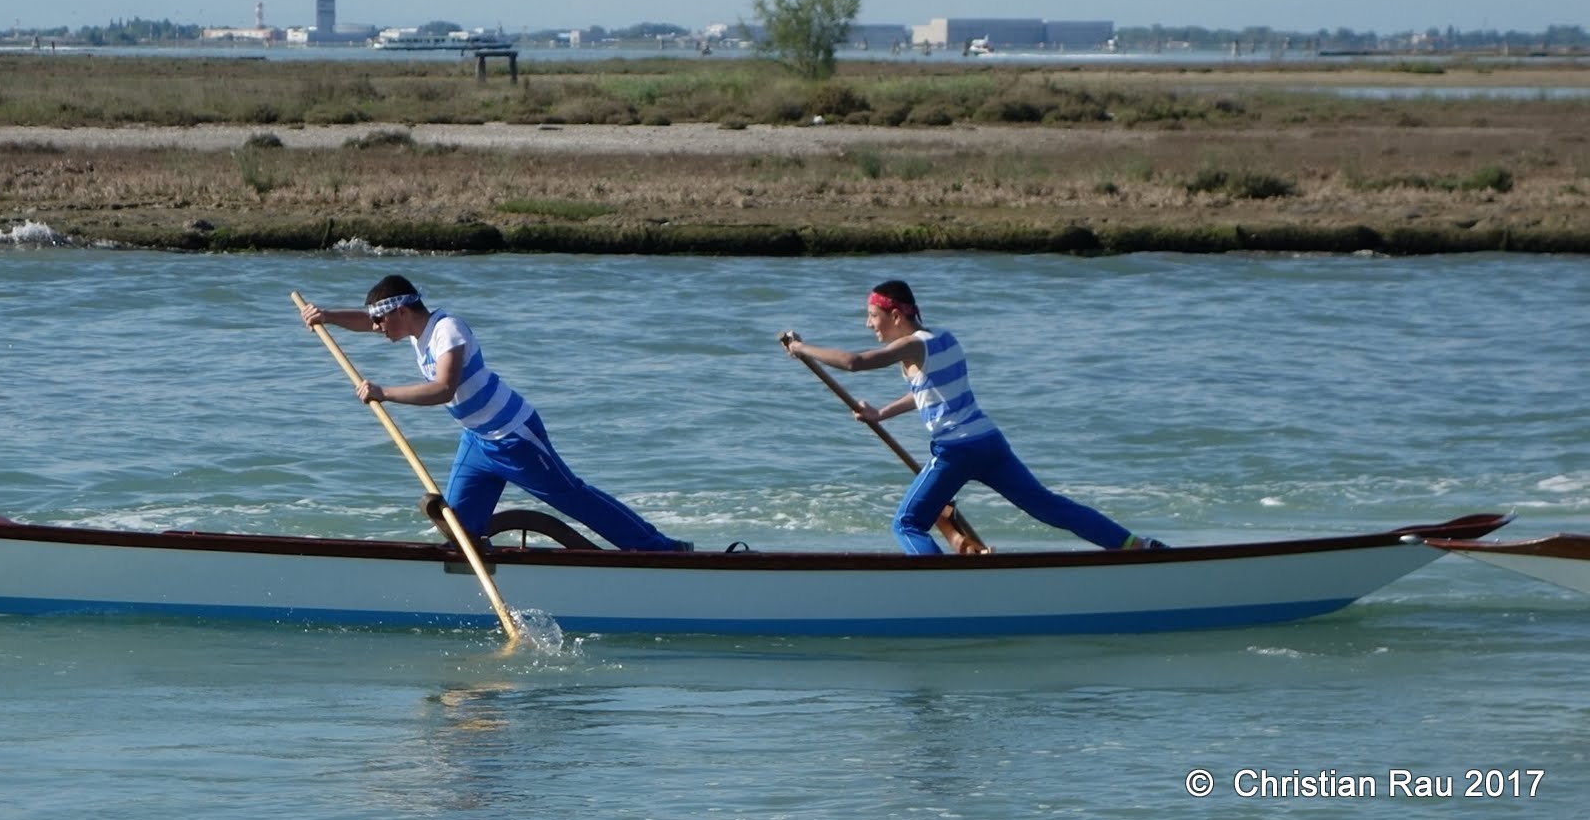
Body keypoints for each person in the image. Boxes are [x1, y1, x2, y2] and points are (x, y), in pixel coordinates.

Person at [299, 275, 690, 552]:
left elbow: (443, 389)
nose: (377, 328)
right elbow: (363, 321)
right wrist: (327, 316)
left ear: (402, 310)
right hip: (478, 441)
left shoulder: (448, 330)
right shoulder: (417, 332)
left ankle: (659, 550)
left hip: (514, 435)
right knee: (459, 527)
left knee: (573, 497)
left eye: (381, 320)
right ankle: (482, 563)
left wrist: (385, 393)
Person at [783, 279, 1163, 556]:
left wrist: (802, 347)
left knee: (907, 523)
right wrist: (881, 413)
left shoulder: (912, 345)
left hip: (956, 451)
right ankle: (1136, 546)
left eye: (873, 316)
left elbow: (854, 362)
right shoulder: (944, 338)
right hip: (989, 442)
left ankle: (940, 591)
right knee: (1049, 506)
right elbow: (928, 395)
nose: (869, 324)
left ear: (895, 315)